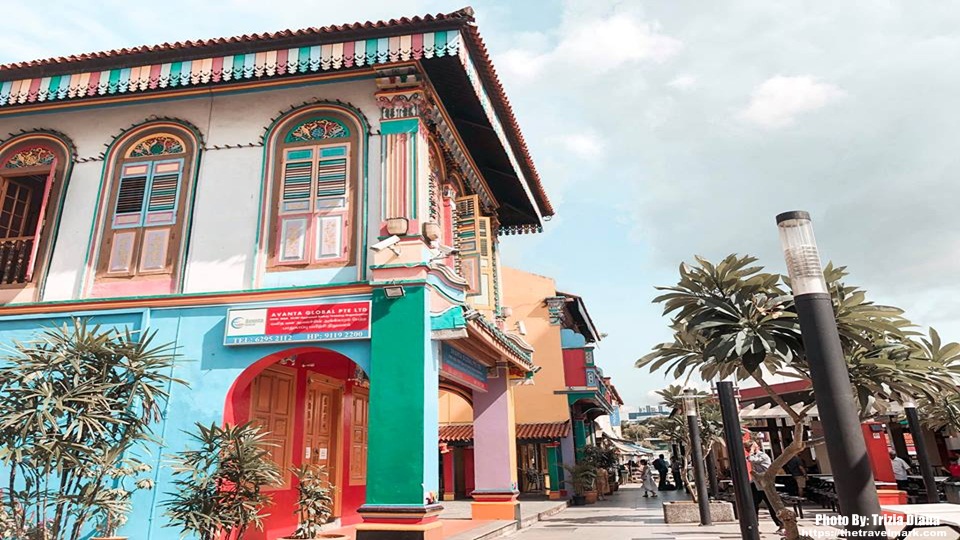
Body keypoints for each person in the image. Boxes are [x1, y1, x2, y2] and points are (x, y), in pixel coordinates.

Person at [748, 442, 784, 534]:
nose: (749, 449)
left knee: (772, 505)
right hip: (756, 484)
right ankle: (755, 525)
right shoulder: (755, 455)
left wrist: (752, 450)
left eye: (750, 447)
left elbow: (751, 459)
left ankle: (782, 525)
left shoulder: (763, 456)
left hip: (765, 484)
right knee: (753, 505)